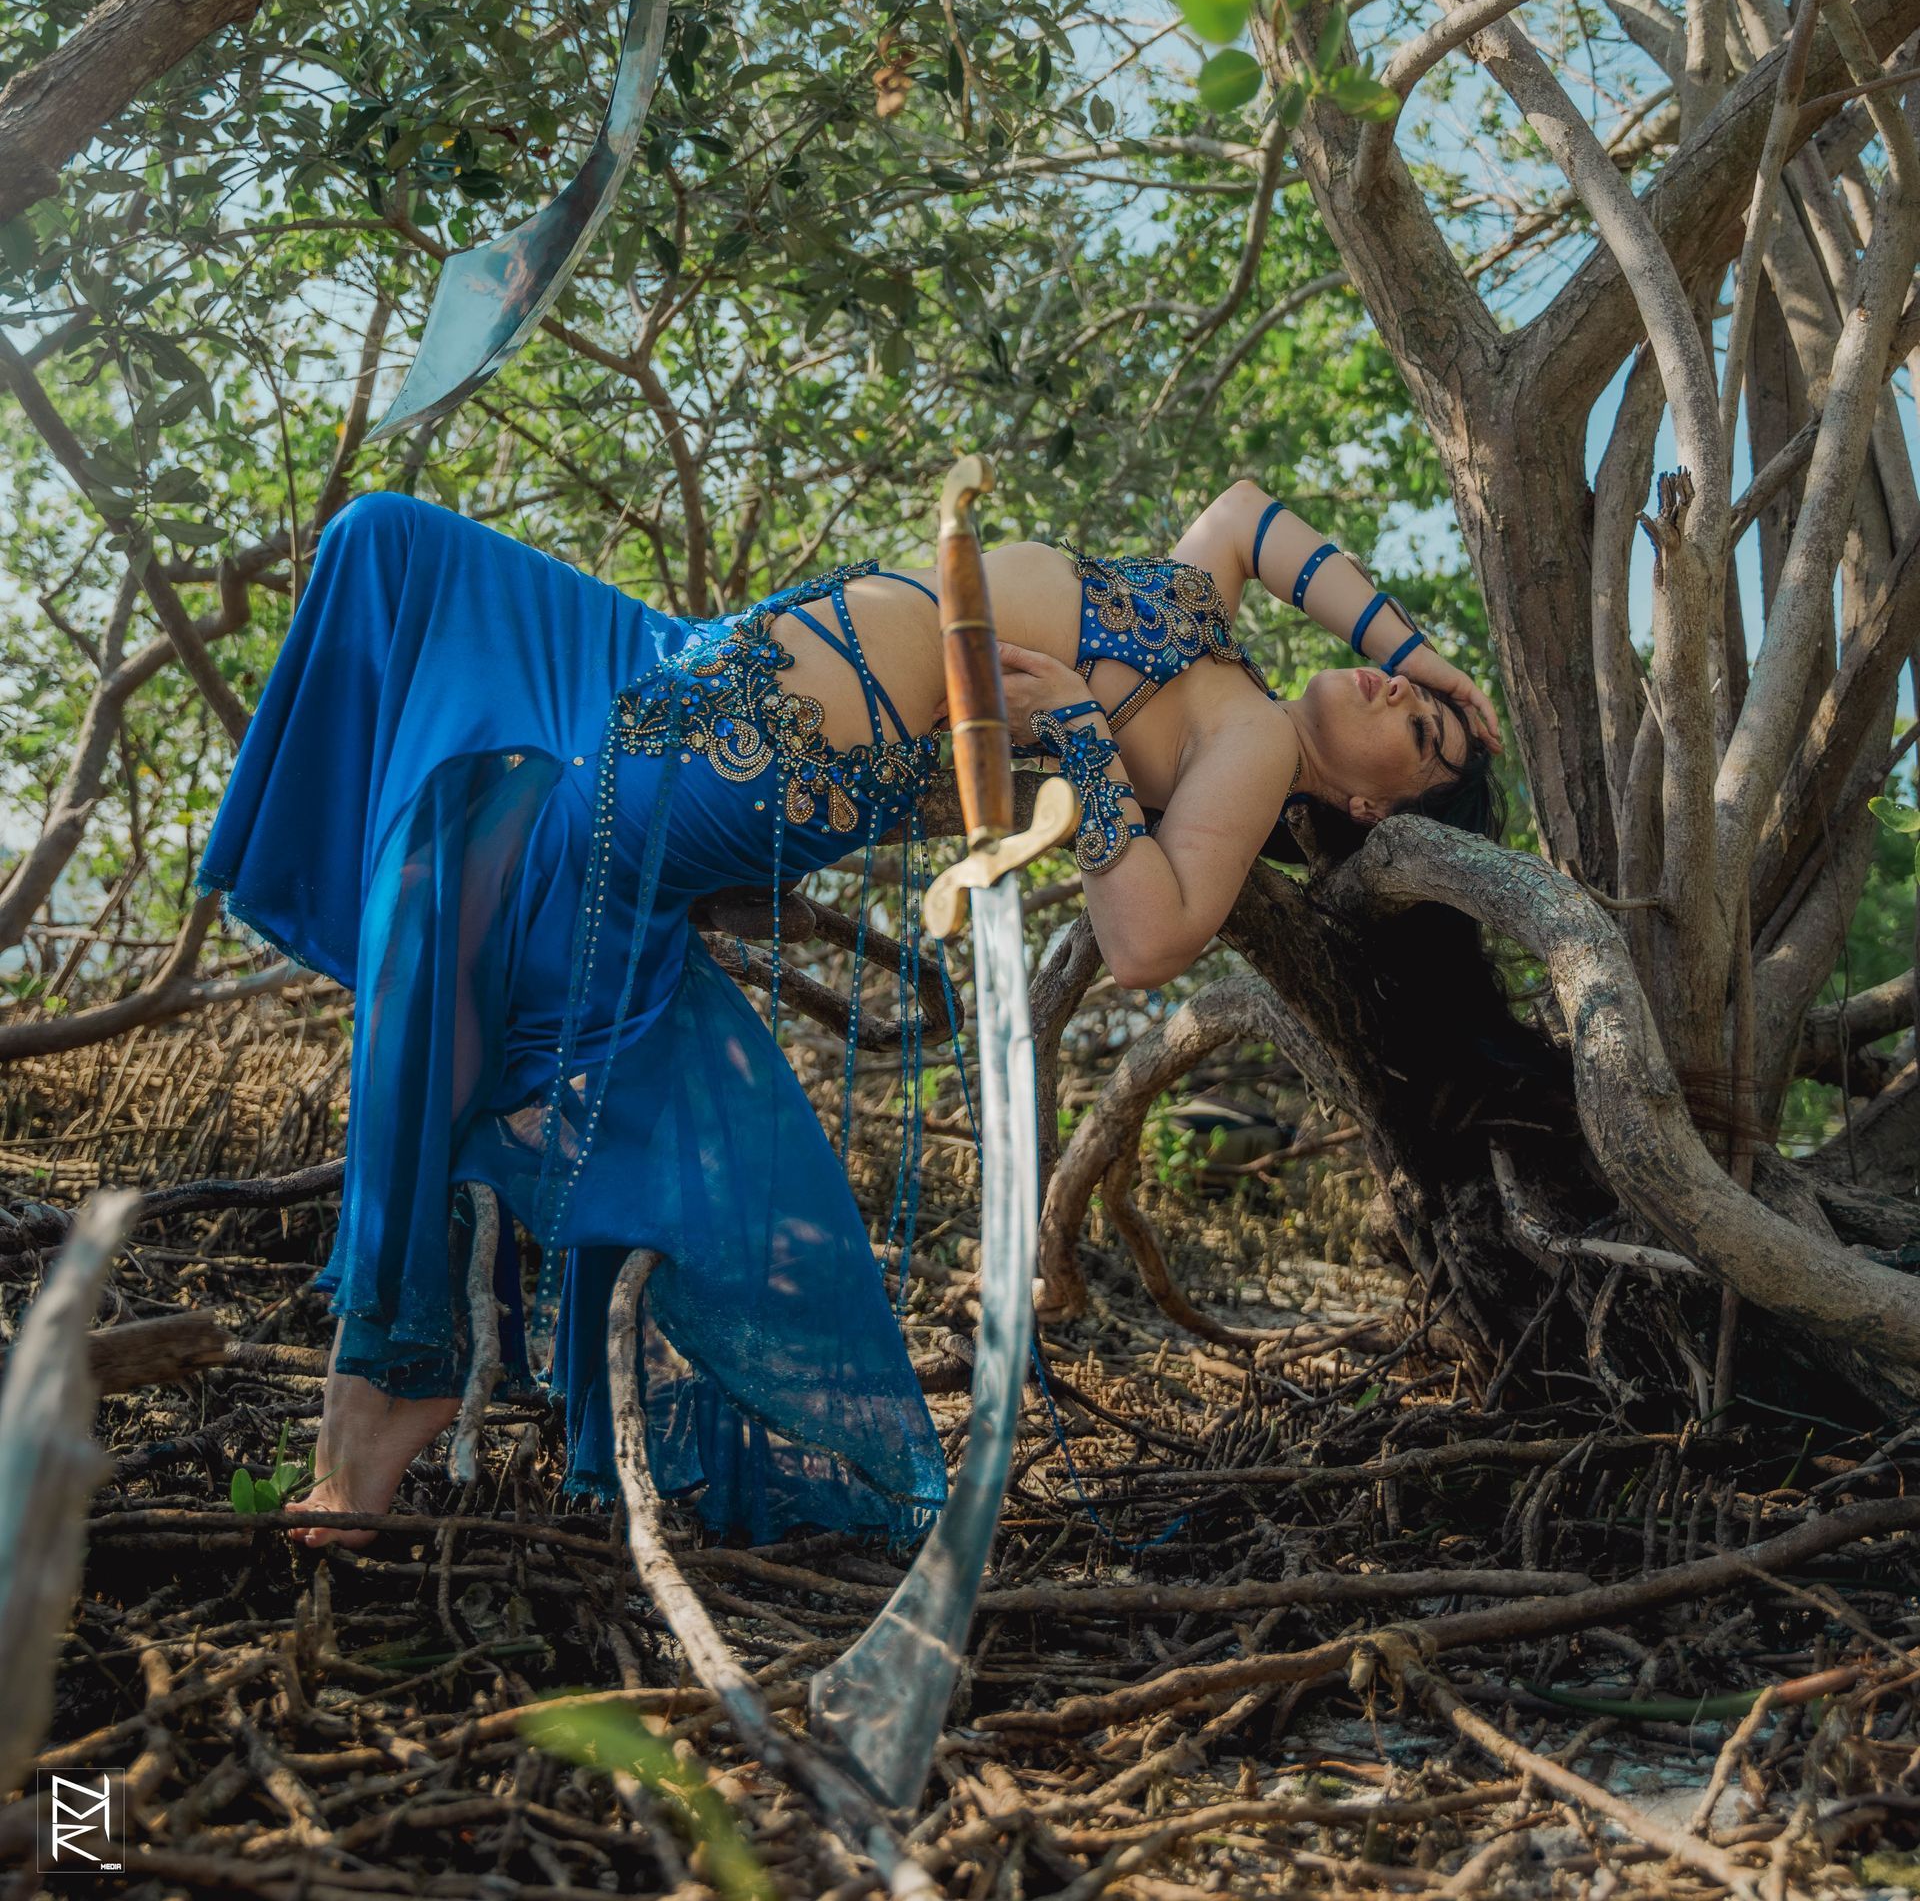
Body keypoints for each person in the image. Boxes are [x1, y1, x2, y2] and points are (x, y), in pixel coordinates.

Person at [196, 476, 1500, 1551]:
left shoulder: (1256, 743)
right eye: (1410, 686)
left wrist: (1082, 742)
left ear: (1370, 812)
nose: (1397, 697)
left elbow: (1151, 935)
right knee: (392, 548)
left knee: (472, 857)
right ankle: (401, 1335)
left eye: (1426, 733)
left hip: (779, 740)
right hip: (709, 652)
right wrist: (1419, 646)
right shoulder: (1204, 607)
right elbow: (1248, 514)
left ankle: (385, 1389)